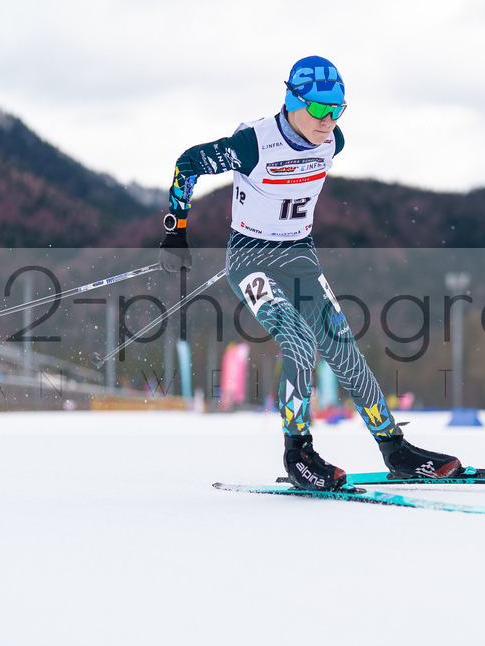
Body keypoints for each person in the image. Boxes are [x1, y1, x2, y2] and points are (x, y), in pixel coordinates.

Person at [158, 56, 465, 491]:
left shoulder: (332, 140)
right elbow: (188, 163)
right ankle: (298, 452)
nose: (329, 120)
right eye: (320, 108)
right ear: (292, 102)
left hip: (299, 257)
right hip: (251, 259)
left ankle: (395, 449)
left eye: (337, 108)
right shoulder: (252, 144)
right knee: (300, 345)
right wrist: (176, 230)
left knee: (343, 349)